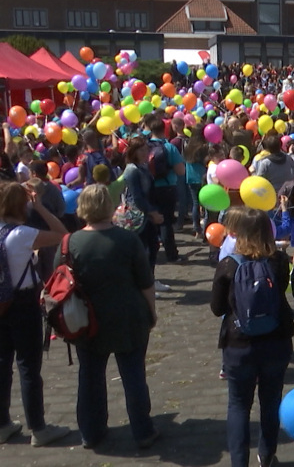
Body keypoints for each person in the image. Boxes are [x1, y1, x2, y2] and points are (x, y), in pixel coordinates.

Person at [61, 185, 158, 449]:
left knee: (90, 377)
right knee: (134, 375)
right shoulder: (128, 240)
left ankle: (91, 432)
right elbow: (146, 283)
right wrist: (152, 312)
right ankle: (142, 431)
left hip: (87, 319)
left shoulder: (71, 241)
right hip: (128, 315)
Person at [211, 207, 294, 467]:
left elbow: (217, 309)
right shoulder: (280, 261)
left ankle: (239, 462)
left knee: (238, 405)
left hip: (239, 343)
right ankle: (267, 455)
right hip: (277, 338)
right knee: (271, 401)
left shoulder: (228, 264)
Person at [0, 181, 71, 446]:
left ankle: (2, 423)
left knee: (2, 363)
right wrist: (40, 207)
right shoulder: (22, 234)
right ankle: (38, 428)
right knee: (28, 367)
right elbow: (63, 233)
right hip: (22, 303)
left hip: (0, 302)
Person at [122, 138, 165, 281]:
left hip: (148, 214)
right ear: (133, 152)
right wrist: (152, 213)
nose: (145, 152)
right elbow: (137, 197)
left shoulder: (144, 167)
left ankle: (150, 279)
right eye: (141, 150)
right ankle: (143, 282)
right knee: (143, 250)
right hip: (137, 216)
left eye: (146, 149)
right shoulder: (132, 170)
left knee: (153, 247)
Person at [146, 118, 186, 263]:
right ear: (165, 129)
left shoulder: (144, 146)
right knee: (166, 222)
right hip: (167, 187)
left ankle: (151, 252)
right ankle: (171, 255)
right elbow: (181, 171)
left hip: (149, 187)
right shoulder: (169, 148)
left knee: (151, 220)